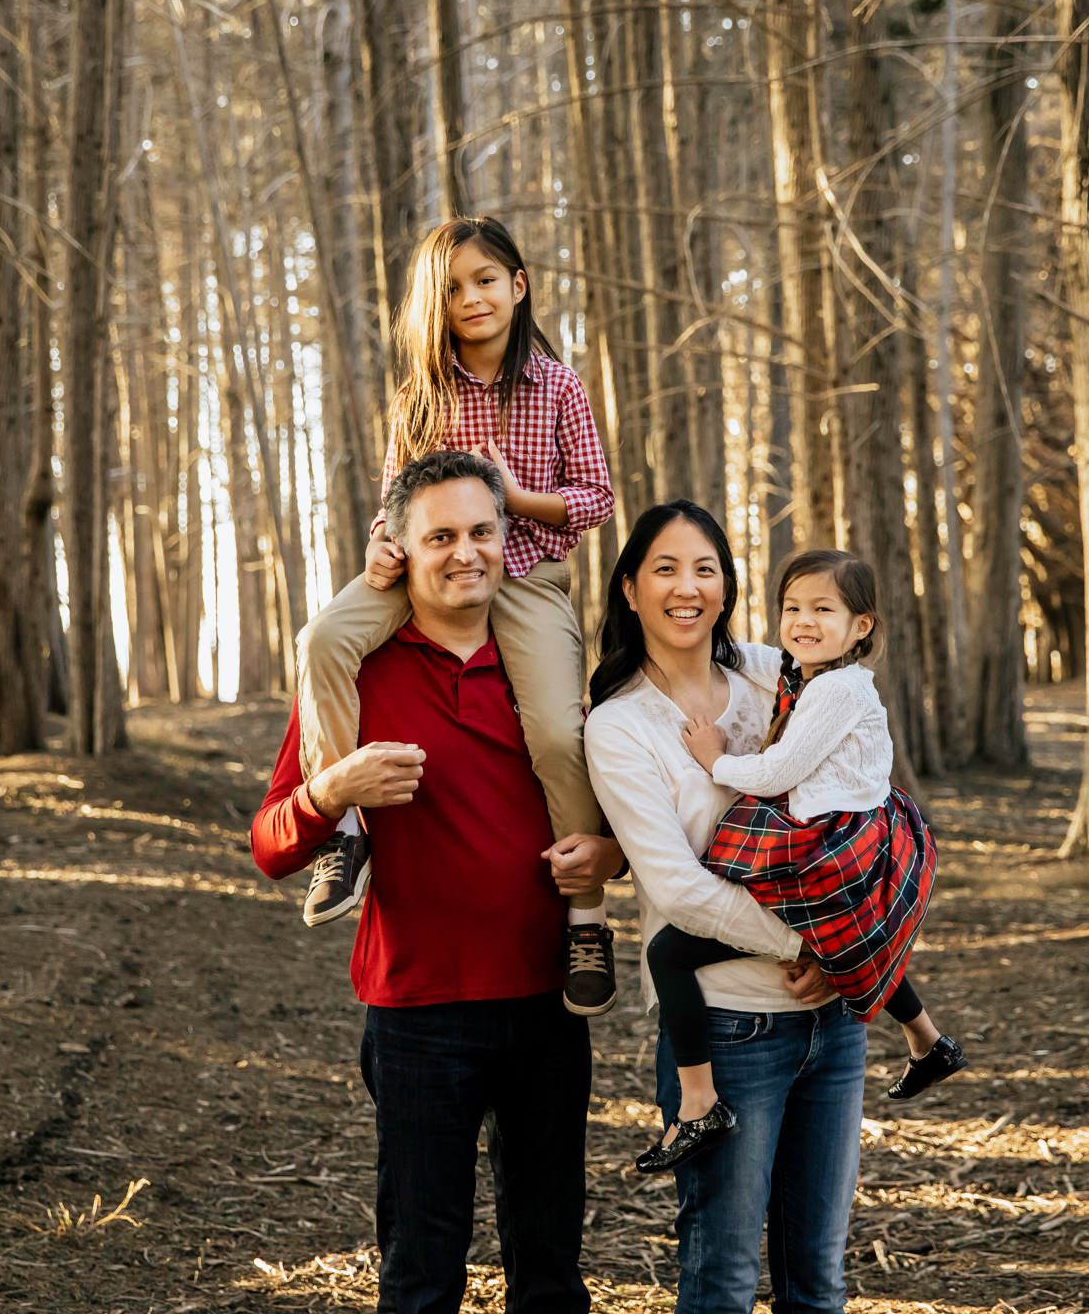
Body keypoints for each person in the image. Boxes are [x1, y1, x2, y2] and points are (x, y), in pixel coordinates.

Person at [251, 451, 617, 1314]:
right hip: (416, 1012)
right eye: (442, 536)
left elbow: (623, 820)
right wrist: (331, 791)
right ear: (398, 549)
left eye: (482, 532)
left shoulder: (554, 685)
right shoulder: (353, 670)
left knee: (552, 1274)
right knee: (420, 1273)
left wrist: (612, 859)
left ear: (505, 541)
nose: (466, 553)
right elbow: (271, 845)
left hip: (548, 1005)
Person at [292, 216, 620, 1019]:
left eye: (485, 279)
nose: (471, 298)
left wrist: (513, 499)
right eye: (452, 288)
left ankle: (586, 913)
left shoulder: (558, 386)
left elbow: (596, 498)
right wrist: (380, 548)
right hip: (422, 566)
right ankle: (346, 830)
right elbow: (394, 500)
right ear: (433, 306)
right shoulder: (420, 395)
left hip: (526, 573)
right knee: (324, 636)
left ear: (519, 285)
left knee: (551, 727)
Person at [582, 501, 860, 1314]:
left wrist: (848, 944)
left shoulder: (777, 674)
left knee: (819, 1278)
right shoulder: (621, 724)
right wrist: (807, 942)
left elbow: (854, 795)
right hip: (730, 1026)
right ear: (630, 588)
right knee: (724, 1279)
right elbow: (674, 887)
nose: (687, 587)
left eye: (706, 568)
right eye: (665, 569)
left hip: (833, 1020)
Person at [637, 548, 964, 1173]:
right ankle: (928, 1041)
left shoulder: (836, 690)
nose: (803, 621)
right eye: (792, 607)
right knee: (853, 941)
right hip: (845, 831)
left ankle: (698, 1105)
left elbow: (777, 771)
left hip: (830, 844)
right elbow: (753, 667)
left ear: (861, 626)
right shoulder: (811, 678)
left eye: (823, 609)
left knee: (669, 952)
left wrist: (714, 759)